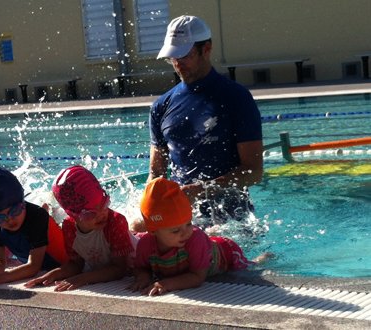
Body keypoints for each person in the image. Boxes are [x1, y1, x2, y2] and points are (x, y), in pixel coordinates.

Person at [148, 15, 263, 224]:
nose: (178, 63)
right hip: (181, 219)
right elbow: (156, 174)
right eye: (173, 57)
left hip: (232, 218)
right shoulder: (161, 106)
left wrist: (201, 190)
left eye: (185, 55)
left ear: (207, 48)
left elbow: (254, 171)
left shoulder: (236, 98)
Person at [128, 178, 270, 296]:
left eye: (189, 224)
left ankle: (263, 258)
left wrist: (166, 284)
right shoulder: (145, 244)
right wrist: (143, 277)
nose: (185, 232)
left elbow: (197, 277)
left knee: (250, 269)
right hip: (204, 247)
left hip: (227, 253)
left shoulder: (194, 238)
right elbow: (140, 267)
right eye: (176, 231)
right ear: (153, 231)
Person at [26, 165, 136, 291]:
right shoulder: (69, 227)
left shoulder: (115, 221)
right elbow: (76, 264)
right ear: (73, 215)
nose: (101, 214)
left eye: (104, 203)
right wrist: (54, 274)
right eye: (91, 213)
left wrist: (83, 279)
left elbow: (120, 269)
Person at [0, 167, 68, 290]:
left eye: (15, 211)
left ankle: (49, 210)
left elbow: (33, 267)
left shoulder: (37, 216)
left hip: (64, 263)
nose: (9, 220)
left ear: (23, 203)